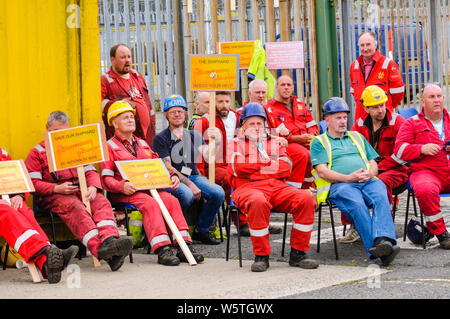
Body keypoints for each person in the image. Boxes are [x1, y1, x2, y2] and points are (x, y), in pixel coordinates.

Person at [25, 111, 134, 271]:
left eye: (63, 132)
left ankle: (111, 241)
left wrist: (93, 187)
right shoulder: (37, 153)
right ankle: (102, 250)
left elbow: (90, 171)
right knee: (76, 207)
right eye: (55, 132)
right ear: (47, 128)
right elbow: (33, 184)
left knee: (101, 201)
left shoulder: (75, 147)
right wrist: (56, 188)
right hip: (54, 196)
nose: (59, 136)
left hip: (81, 189)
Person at [100, 101, 204, 265]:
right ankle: (163, 249)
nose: (130, 120)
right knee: (150, 204)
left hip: (149, 189)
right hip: (126, 194)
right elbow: (106, 179)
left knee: (171, 201)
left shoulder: (142, 143)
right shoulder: (109, 147)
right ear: (114, 123)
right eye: (125, 117)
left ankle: (184, 245)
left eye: (131, 117)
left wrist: (172, 176)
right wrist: (122, 186)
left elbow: (158, 165)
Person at [227, 102, 319, 272]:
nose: (256, 127)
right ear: (243, 126)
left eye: (259, 123)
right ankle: (261, 256)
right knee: (258, 201)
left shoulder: (275, 142)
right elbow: (238, 168)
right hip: (247, 189)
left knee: (305, 198)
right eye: (251, 123)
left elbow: (286, 167)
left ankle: (298, 253)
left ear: (265, 125)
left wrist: (255, 169)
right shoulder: (234, 143)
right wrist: (269, 164)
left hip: (277, 187)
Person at [310, 97, 400, 266]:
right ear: (326, 119)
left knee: (381, 194)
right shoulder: (319, 142)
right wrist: (349, 178)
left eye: (344, 117)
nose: (343, 121)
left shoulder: (356, 137)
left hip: (366, 180)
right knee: (358, 205)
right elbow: (322, 171)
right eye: (338, 117)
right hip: (340, 185)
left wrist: (369, 173)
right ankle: (377, 252)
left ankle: (384, 242)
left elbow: (374, 163)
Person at [152, 94, 225, 245]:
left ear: (186, 113)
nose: (177, 115)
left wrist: (216, 142)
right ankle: (171, 229)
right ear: (166, 115)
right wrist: (190, 184)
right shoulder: (161, 138)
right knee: (186, 196)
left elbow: (207, 156)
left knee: (217, 193)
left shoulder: (193, 135)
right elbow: (168, 166)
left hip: (193, 176)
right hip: (173, 179)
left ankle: (202, 230)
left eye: (180, 111)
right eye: (172, 112)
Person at [341, 85, 409, 243]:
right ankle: (356, 225)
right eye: (375, 107)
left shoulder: (398, 122)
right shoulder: (360, 124)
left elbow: (401, 155)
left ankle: (382, 228)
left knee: (379, 182)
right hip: (369, 168)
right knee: (349, 181)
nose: (381, 110)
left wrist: (376, 170)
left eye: (382, 105)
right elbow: (350, 145)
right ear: (366, 108)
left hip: (396, 169)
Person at [0, 147, 78, 284]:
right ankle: (48, 254)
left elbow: (15, 179)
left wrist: (18, 194)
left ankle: (46, 264)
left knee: (22, 209)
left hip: (5, 199)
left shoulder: (2, 153)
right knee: (6, 212)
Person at [394, 83, 450, 249]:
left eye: (439, 96)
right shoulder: (411, 123)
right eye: (432, 97)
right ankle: (441, 233)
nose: (436, 100)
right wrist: (421, 149)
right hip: (427, 172)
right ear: (423, 101)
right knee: (425, 190)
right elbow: (399, 150)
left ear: (444, 99)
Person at [265, 75, 318, 189]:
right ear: (276, 87)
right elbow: (273, 134)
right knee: (303, 154)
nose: (286, 88)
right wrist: (297, 139)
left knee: (318, 153)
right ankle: (295, 189)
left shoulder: (300, 104)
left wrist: (312, 137)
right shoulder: (270, 108)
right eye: (282, 85)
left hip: (306, 143)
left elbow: (312, 124)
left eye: (289, 85)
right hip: (287, 144)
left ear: (293, 87)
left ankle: (313, 189)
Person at [101, 43, 156, 147]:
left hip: (147, 135)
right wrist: (120, 104)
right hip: (124, 140)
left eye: (129, 57)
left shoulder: (137, 75)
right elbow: (100, 105)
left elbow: (147, 102)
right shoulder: (105, 80)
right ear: (112, 60)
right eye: (122, 57)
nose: (127, 60)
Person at [193, 91, 238, 201]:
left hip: (233, 162)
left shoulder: (235, 117)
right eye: (220, 102)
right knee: (230, 179)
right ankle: (236, 213)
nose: (224, 105)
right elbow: (197, 151)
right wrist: (200, 175)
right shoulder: (203, 121)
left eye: (227, 101)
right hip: (214, 167)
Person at [350, 31, 405, 121]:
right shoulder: (354, 66)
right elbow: (355, 92)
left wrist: (385, 107)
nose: (365, 48)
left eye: (368, 44)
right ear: (358, 46)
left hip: (382, 118)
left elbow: (398, 93)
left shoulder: (388, 64)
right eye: (362, 45)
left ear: (375, 45)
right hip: (362, 119)